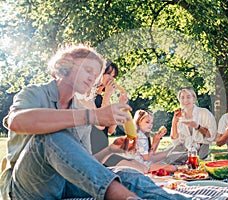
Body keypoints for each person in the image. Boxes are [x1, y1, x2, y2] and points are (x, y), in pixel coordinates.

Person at [0, 44, 189, 200]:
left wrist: (111, 150)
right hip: (26, 188)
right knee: (51, 135)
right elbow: (18, 121)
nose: (93, 78)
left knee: (126, 175)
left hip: (65, 185)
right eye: (88, 70)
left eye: (96, 74)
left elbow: (84, 166)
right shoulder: (34, 93)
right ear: (66, 66)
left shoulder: (80, 111)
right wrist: (93, 116)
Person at [167, 87, 217, 164]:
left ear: (194, 98)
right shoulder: (178, 115)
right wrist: (174, 122)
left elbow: (211, 136)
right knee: (168, 156)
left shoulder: (204, 113)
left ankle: (186, 162)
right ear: (179, 100)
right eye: (182, 97)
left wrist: (198, 126)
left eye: (188, 97)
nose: (185, 100)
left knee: (172, 159)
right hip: (184, 149)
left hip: (201, 148)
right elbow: (175, 142)